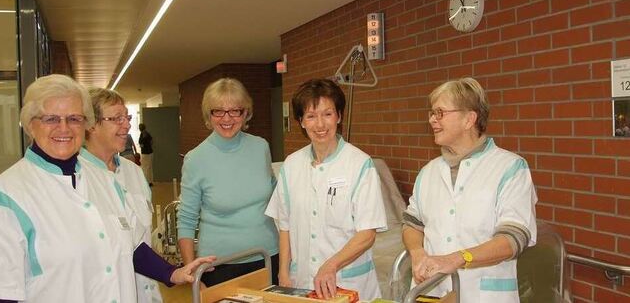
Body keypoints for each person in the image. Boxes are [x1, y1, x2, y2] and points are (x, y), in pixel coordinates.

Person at [0, 74, 214, 303]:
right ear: (30, 124)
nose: (64, 128)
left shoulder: (103, 180)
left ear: (86, 124)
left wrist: (173, 273)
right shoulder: (7, 196)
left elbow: (133, 246)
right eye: (51, 118)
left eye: (74, 118)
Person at [401, 77, 537, 302]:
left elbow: (513, 238)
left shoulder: (509, 168)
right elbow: (412, 224)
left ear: (469, 119)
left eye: (440, 113)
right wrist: (417, 252)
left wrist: (457, 258)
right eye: (432, 113)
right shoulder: (428, 172)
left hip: (483, 293)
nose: (432, 120)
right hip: (432, 292)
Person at [265, 78, 387, 301]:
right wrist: (283, 272)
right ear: (301, 121)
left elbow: (367, 234)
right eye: (311, 116)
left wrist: (331, 265)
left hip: (347, 282)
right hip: (301, 281)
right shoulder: (291, 165)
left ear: (339, 116)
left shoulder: (360, 164)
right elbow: (285, 225)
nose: (320, 125)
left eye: (327, 114)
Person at [177, 77, 279, 287]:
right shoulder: (196, 159)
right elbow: (186, 221)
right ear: (209, 114)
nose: (227, 118)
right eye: (218, 111)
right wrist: (192, 274)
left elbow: (277, 199)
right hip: (219, 265)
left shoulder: (261, 147)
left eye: (235, 111)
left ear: (245, 113)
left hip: (268, 256)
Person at [81, 88, 162, 302]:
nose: (126, 124)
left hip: (145, 292)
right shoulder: (75, 177)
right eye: (116, 118)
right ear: (91, 124)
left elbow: (139, 241)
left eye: (126, 117)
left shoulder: (133, 172)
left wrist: (170, 273)